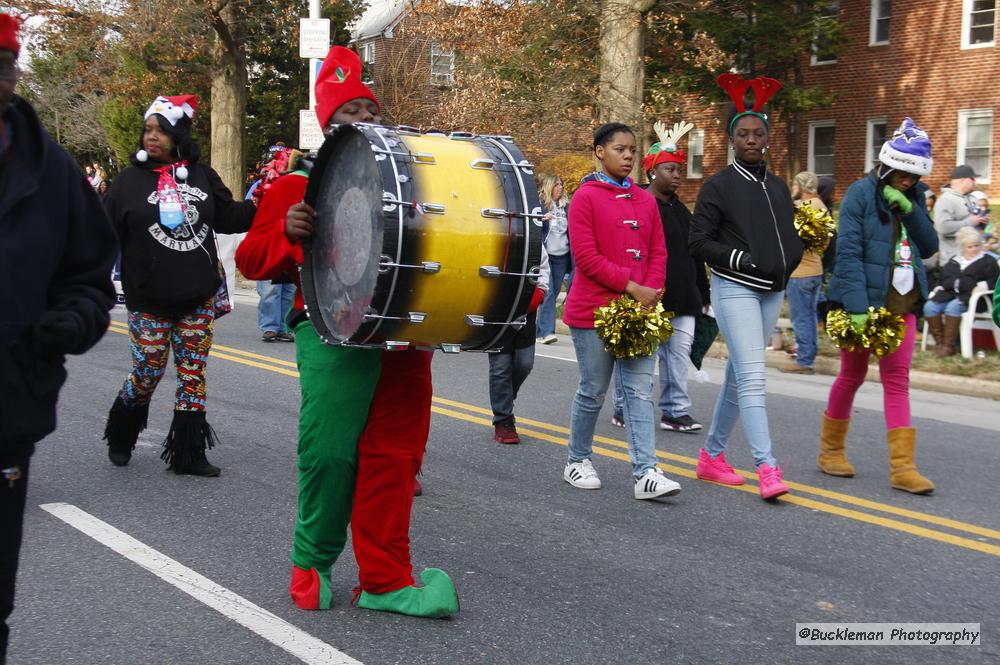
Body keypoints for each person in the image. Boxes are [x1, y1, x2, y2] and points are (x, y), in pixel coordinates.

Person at [235, 46, 458, 618]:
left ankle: (385, 579)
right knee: (331, 454)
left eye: (370, 109)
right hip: (331, 330)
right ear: (329, 126)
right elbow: (252, 260)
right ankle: (311, 561)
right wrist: (287, 232)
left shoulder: (417, 181)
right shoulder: (294, 185)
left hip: (403, 335)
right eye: (350, 112)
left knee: (396, 459)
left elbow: (461, 243)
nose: (365, 119)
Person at [0, 14, 117, 660]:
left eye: (1, 65)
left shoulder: (54, 173)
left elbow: (90, 278)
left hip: (8, 409)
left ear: (13, 76)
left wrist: (73, 320)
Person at [101, 93, 256, 477]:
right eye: (147, 130)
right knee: (147, 373)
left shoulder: (202, 175)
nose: (150, 137)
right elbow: (100, 235)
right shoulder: (127, 183)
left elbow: (230, 216)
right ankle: (122, 433)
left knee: (192, 374)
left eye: (161, 131)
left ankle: (188, 455)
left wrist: (266, 201)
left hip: (197, 296)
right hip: (148, 299)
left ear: (178, 135)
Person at [688, 74, 802, 500]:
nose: (751, 140)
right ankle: (766, 468)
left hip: (772, 290)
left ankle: (711, 457)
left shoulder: (776, 186)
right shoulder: (718, 186)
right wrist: (740, 259)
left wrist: (790, 258)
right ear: (731, 139)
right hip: (735, 288)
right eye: (743, 134)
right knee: (754, 378)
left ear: (767, 139)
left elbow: (783, 235)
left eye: (757, 134)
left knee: (740, 375)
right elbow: (698, 241)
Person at [561, 122, 681, 501]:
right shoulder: (585, 197)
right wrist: (633, 286)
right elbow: (586, 257)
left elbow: (659, 251)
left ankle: (646, 471)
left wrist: (653, 292)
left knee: (638, 392)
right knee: (594, 389)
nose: (628, 156)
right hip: (594, 312)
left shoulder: (646, 200)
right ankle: (576, 460)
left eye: (632, 149)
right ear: (599, 151)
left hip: (640, 309)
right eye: (619, 149)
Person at [819, 117, 939, 494]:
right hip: (863, 305)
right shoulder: (858, 193)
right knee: (851, 376)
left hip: (901, 304)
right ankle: (831, 452)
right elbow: (849, 251)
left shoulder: (914, 197)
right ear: (887, 165)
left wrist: (910, 208)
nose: (907, 182)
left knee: (898, 381)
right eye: (901, 175)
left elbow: (931, 245)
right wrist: (854, 307)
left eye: (912, 178)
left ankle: (903, 468)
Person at [611, 120, 710, 433]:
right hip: (647, 296)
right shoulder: (637, 205)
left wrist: (703, 295)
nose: (677, 175)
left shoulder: (683, 210)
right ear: (652, 171)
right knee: (640, 354)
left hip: (684, 298)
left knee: (677, 357)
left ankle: (675, 411)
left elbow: (694, 256)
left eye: (680, 169)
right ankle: (624, 407)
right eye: (670, 169)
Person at [489, 251, 549, 443]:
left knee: (525, 363)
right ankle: (503, 419)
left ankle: (504, 397)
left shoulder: (533, 235)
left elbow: (543, 272)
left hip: (525, 308)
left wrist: (533, 299)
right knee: (500, 367)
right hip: (497, 306)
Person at [782, 171, 831, 374]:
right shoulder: (821, 207)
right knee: (810, 316)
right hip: (816, 269)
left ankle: (804, 361)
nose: (793, 188)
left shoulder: (799, 208)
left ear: (801, 187)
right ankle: (808, 356)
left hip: (799, 272)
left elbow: (788, 241)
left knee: (800, 318)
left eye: (795, 184)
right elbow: (826, 242)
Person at [923, 226, 999, 356]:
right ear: (963, 247)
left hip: (973, 299)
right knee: (930, 307)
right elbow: (942, 279)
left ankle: (948, 346)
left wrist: (982, 286)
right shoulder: (954, 260)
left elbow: (993, 281)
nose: (974, 249)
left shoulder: (988, 261)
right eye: (970, 247)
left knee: (952, 308)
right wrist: (938, 288)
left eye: (976, 245)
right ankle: (940, 344)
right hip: (949, 294)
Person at [535, 174, 572, 345]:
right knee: (548, 293)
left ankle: (538, 329)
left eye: (562, 185)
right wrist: (542, 219)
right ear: (549, 187)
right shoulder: (541, 206)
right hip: (546, 255)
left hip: (562, 256)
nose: (561, 188)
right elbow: (531, 222)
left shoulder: (566, 207)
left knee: (554, 293)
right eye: (557, 185)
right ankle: (546, 332)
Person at [933, 165, 988, 265]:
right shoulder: (946, 200)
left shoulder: (973, 198)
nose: (974, 182)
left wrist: (982, 221)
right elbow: (943, 227)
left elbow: (976, 224)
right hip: (954, 261)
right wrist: (970, 222)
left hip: (975, 259)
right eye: (972, 179)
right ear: (963, 180)